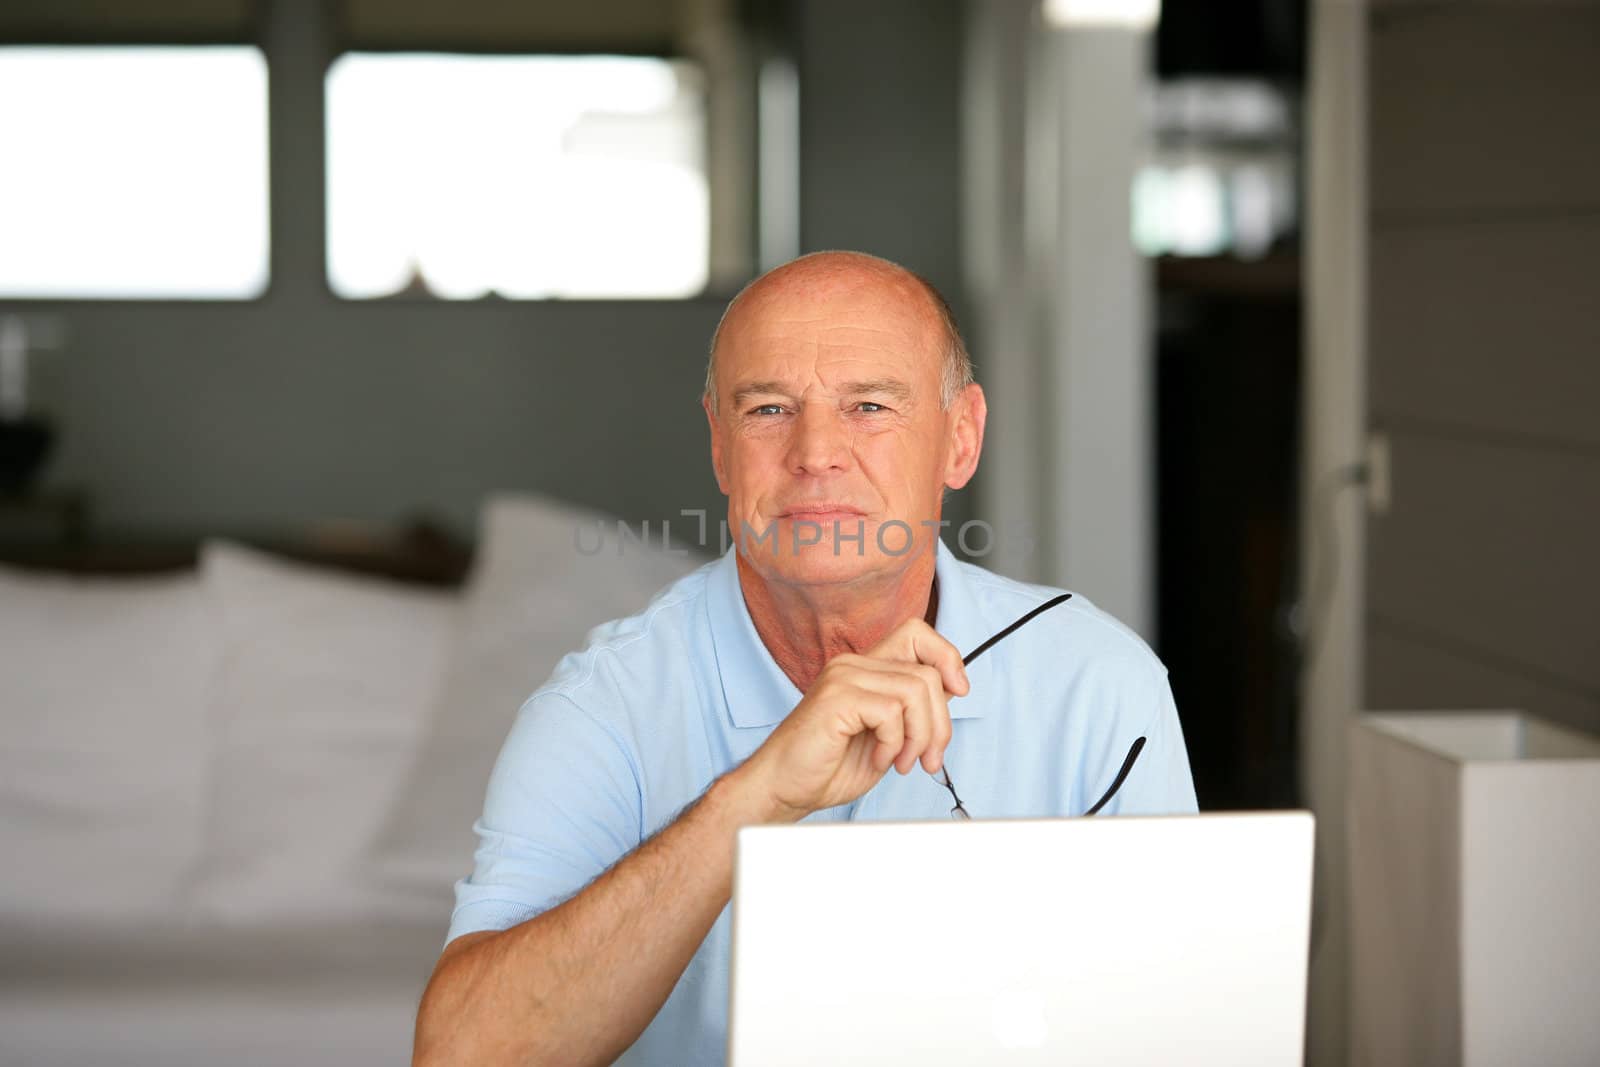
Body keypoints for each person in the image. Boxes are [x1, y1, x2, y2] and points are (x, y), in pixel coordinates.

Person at [412, 251, 1197, 1066]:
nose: (816, 452)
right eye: (769, 409)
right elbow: (463, 1054)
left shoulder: (1098, 685)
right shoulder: (602, 706)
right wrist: (756, 796)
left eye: (868, 405)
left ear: (960, 439)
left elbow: (1187, 1030)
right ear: (720, 448)